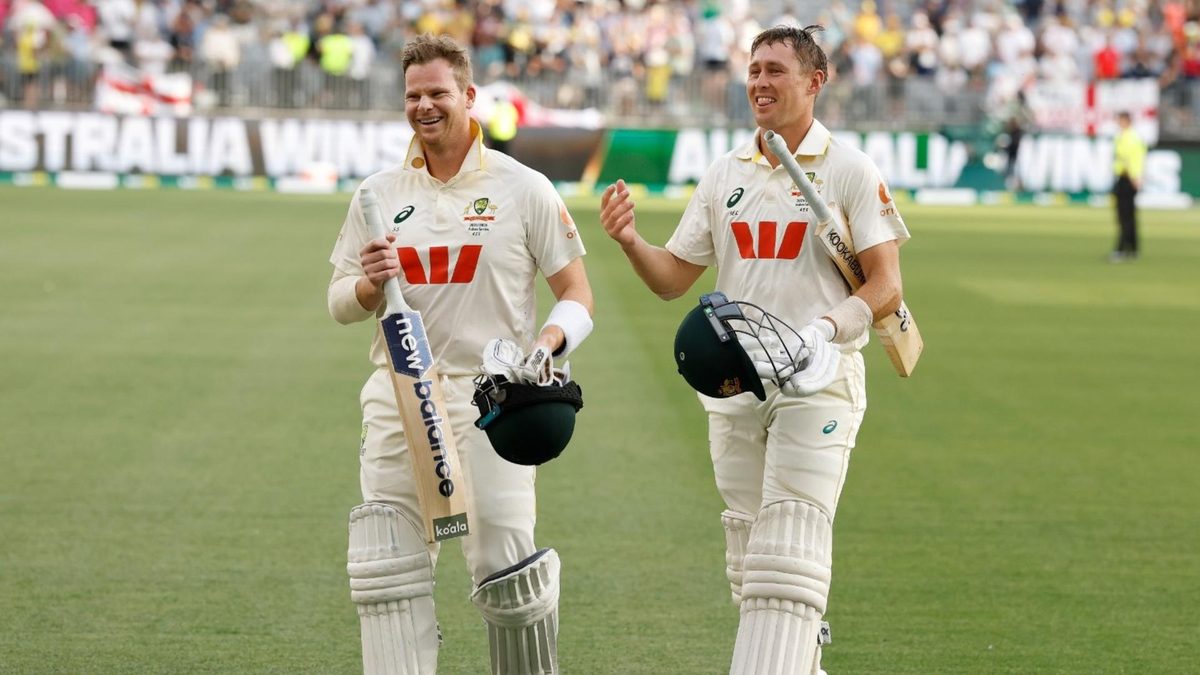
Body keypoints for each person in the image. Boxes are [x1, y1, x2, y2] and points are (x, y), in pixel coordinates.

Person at [599, 25, 910, 675]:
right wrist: (630, 242)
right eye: (754, 70)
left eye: (775, 70)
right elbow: (673, 279)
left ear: (814, 82)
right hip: (736, 386)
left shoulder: (849, 169)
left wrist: (825, 330)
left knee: (786, 555)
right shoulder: (726, 173)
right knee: (750, 565)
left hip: (818, 382)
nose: (760, 83)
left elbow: (886, 285)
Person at [327, 33, 594, 674]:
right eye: (413, 95)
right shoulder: (379, 193)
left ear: (469, 96)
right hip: (400, 393)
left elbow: (578, 294)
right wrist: (369, 284)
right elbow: (339, 301)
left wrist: (547, 344)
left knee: (508, 574)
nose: (424, 106)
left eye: (438, 93)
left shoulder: (523, 187)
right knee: (390, 571)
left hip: (491, 397)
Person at [1111, 111, 1146, 262]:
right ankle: (1133, 249)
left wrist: (1134, 177)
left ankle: (1121, 249)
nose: (1118, 122)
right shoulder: (1130, 136)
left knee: (1124, 216)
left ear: (1126, 120)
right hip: (1129, 178)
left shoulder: (1128, 138)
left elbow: (1129, 160)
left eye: (1120, 120)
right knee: (1130, 216)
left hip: (1127, 179)